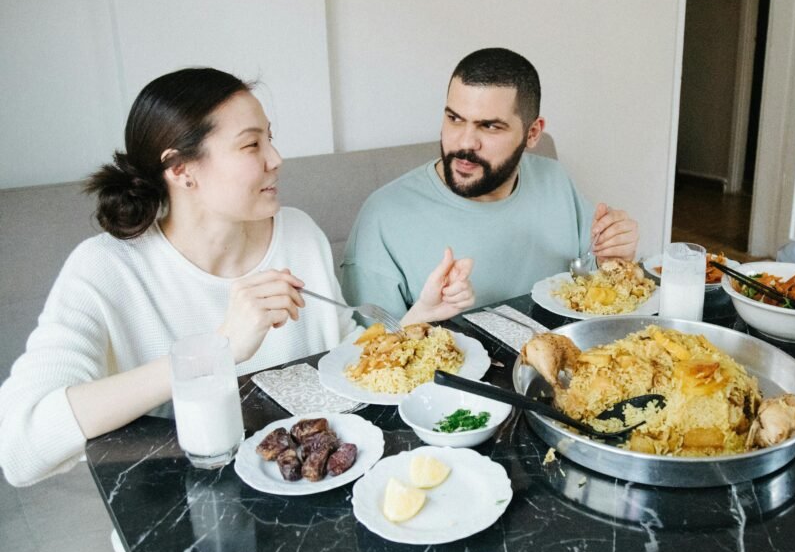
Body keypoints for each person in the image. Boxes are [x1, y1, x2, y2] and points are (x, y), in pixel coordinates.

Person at [0, 68, 473, 487]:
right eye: (251, 145)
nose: (276, 158)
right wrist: (216, 349)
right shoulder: (105, 269)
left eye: (270, 138)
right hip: (184, 508)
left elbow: (345, 365)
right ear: (181, 169)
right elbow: (20, 448)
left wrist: (417, 320)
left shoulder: (297, 233)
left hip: (313, 489)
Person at [342, 47, 639, 317]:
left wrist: (617, 257)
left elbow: (594, 282)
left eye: (490, 126)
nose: (466, 143)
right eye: (455, 119)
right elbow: (370, 355)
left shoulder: (555, 179)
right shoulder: (384, 216)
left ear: (533, 133)